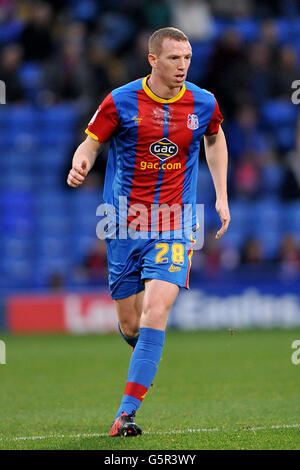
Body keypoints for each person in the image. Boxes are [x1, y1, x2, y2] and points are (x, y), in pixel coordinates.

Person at [67, 27, 230, 437]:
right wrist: (81, 163)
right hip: (124, 223)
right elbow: (90, 143)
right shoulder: (120, 101)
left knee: (157, 310)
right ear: (153, 60)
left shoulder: (203, 102)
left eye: (188, 58)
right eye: (174, 59)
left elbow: (215, 139)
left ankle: (125, 413)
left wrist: (222, 196)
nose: (183, 67)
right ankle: (145, 355)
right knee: (132, 326)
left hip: (176, 221)